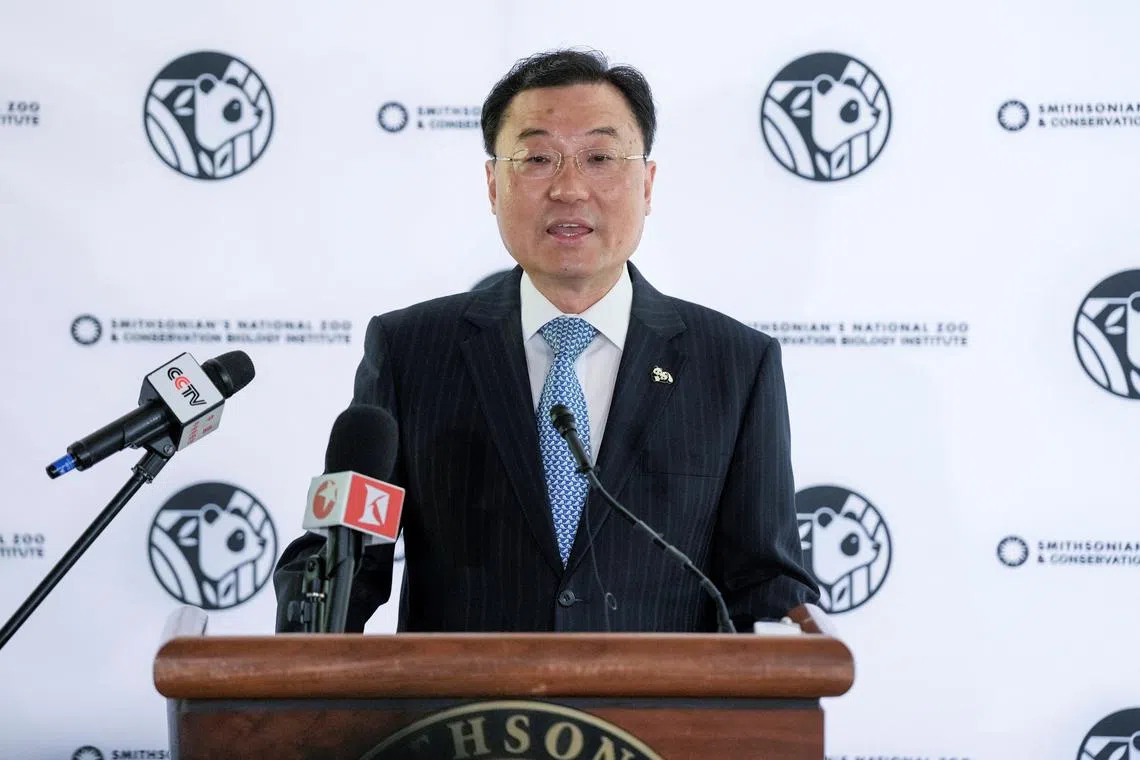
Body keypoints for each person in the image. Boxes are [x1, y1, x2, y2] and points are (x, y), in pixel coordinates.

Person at [274, 49, 817, 633]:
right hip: (462, 717)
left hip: (651, 719)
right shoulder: (411, 349)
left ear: (647, 183)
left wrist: (791, 649)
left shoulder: (735, 363)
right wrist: (310, 620)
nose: (569, 188)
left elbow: (764, 582)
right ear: (493, 184)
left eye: (600, 157)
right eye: (537, 159)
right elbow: (346, 556)